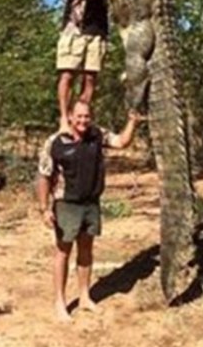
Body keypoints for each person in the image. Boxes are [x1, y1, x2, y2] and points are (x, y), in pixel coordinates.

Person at [37, 100, 144, 322]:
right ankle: (60, 301)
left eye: (86, 116)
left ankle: (85, 297)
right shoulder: (55, 142)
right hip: (66, 203)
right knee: (63, 252)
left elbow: (122, 142)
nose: (83, 121)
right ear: (70, 116)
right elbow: (44, 176)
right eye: (79, 116)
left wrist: (132, 121)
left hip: (90, 203)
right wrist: (44, 208)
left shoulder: (97, 134)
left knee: (86, 250)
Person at [56, 0, 125, 127]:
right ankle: (63, 118)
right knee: (67, 74)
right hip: (75, 28)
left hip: (98, 29)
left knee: (90, 78)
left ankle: (80, 118)